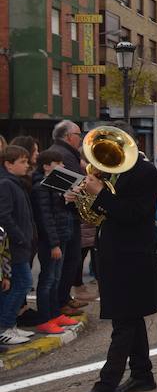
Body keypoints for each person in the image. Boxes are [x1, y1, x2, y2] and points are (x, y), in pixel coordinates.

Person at [72, 122, 157, 392]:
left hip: (132, 256)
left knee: (123, 322)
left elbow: (134, 213)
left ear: (129, 143)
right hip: (113, 253)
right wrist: (80, 197)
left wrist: (100, 193)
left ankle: (104, 389)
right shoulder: (109, 171)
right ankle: (142, 374)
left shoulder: (146, 172)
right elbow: (103, 210)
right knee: (131, 317)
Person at [31, 149, 80, 334]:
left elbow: (60, 211)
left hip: (62, 236)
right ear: (46, 166)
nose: (63, 166)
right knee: (48, 280)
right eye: (58, 164)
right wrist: (54, 244)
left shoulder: (54, 185)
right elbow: (45, 218)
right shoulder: (40, 187)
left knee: (56, 278)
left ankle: (55, 314)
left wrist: (67, 199)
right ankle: (45, 319)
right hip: (52, 241)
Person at [49, 121, 87, 316]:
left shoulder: (66, 154)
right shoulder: (64, 155)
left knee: (72, 259)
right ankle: (60, 302)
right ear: (67, 136)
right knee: (69, 260)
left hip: (68, 215)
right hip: (66, 216)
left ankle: (64, 298)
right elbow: (74, 185)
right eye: (78, 134)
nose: (80, 138)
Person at [0, 145, 36, 345]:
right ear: (8, 164)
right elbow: (4, 215)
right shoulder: (6, 183)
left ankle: (10, 325)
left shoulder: (15, 182)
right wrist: (20, 237)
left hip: (20, 245)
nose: (27, 165)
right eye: (22, 162)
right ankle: (4, 326)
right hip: (14, 246)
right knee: (22, 283)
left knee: (18, 284)